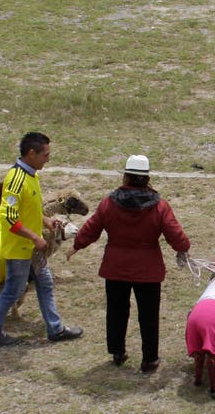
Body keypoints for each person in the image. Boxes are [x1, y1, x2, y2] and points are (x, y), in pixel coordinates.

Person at [68, 155, 190, 372]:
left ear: (125, 176)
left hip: (116, 268)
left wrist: (77, 245)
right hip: (148, 270)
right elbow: (175, 234)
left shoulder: (109, 203)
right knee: (149, 315)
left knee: (116, 311)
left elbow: (92, 227)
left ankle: (118, 352)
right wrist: (183, 248)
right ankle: (150, 359)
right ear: (147, 178)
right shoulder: (160, 206)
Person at [0, 132, 82, 347]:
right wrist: (35, 237)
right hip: (21, 248)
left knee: (45, 284)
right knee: (14, 290)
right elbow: (9, 217)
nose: (48, 158)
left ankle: (55, 329)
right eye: (45, 154)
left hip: (31, 248)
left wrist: (46, 221)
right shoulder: (16, 180)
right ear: (31, 153)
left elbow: (31, 207)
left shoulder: (31, 175)